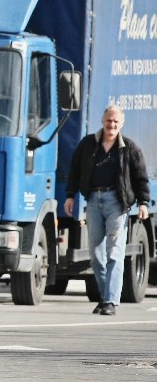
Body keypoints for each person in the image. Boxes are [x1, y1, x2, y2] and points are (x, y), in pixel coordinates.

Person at [65, 105, 150, 316]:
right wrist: (69, 195)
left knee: (114, 252)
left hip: (117, 202)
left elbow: (140, 177)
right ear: (103, 120)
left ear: (121, 124)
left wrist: (143, 203)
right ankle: (105, 298)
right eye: (108, 120)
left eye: (115, 122)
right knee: (95, 254)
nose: (111, 125)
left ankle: (111, 300)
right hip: (93, 200)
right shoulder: (88, 144)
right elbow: (74, 170)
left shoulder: (129, 148)